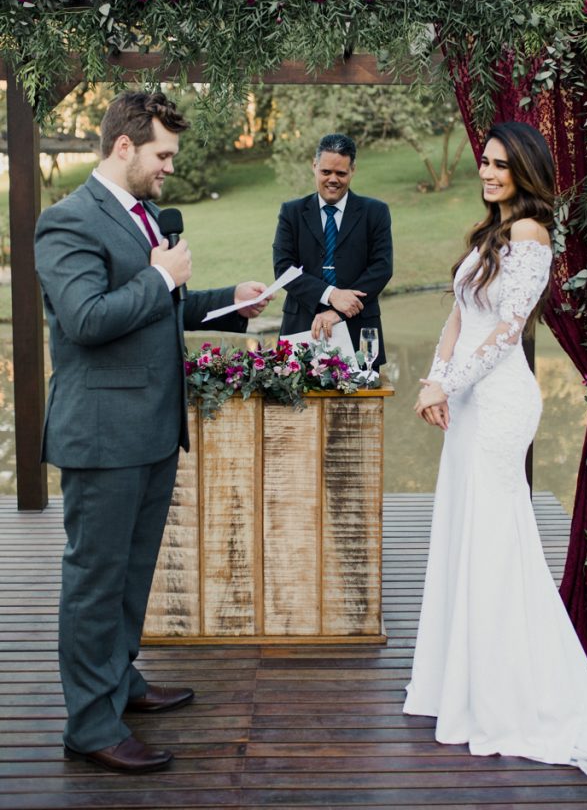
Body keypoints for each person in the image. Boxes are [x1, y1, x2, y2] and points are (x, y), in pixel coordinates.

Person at [403, 121, 587, 806]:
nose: (489, 172)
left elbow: (503, 333)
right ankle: (455, 677)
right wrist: (430, 380)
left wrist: (453, 383)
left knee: (497, 539)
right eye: (485, 162)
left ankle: (503, 686)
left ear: (524, 173)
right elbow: (458, 320)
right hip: (465, 398)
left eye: (501, 165)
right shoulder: (486, 238)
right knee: (465, 530)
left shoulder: (530, 236)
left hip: (498, 403)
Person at [35, 91, 270, 774]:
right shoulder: (67, 220)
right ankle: (89, 726)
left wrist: (230, 302)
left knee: (131, 575)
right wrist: (162, 274)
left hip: (151, 431)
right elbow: (86, 318)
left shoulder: (142, 218)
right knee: (95, 581)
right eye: (162, 154)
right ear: (123, 147)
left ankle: (120, 685)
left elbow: (157, 304)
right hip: (102, 436)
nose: (170, 167)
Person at [272, 132, 393, 365]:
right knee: (298, 402)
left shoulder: (376, 212)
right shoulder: (291, 212)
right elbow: (284, 269)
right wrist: (331, 295)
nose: (333, 179)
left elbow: (382, 268)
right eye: (326, 172)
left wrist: (339, 311)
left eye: (341, 173)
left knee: (362, 402)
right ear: (314, 166)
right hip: (301, 327)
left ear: (353, 170)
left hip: (360, 331)